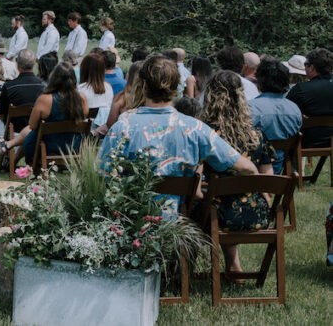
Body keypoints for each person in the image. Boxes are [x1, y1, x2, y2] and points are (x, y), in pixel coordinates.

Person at [99, 56, 257, 216]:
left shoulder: (123, 126)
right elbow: (245, 167)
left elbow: (102, 175)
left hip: (130, 222)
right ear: (175, 87)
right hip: (178, 225)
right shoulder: (195, 128)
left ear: (144, 85)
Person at [199, 71, 275, 275]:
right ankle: (234, 265)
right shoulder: (256, 134)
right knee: (226, 197)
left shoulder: (206, 133)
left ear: (210, 97)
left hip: (217, 215)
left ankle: (183, 270)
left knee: (198, 203)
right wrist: (266, 200)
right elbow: (268, 179)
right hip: (257, 214)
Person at [3, 61, 87, 165]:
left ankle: (11, 154)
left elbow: (32, 126)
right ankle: (11, 152)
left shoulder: (45, 100)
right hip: (73, 147)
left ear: (54, 79)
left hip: (46, 148)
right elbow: (83, 119)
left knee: (31, 131)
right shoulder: (82, 99)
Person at [0, 50, 44, 155]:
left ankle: (3, 154)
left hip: (13, 131)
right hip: (36, 131)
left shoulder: (9, 86)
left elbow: (1, 115)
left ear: (17, 65)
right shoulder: (44, 86)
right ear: (33, 64)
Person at [249, 58, 302, 175]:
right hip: (279, 171)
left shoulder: (250, 108)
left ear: (259, 82)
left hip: (254, 173)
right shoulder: (295, 109)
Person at [286, 48, 333, 149]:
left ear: (311, 67)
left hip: (306, 142)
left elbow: (285, 112)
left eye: (305, 65)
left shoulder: (301, 89)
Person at [78, 52, 114, 128]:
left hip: (84, 132)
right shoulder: (108, 88)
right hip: (104, 131)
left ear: (84, 69)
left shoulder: (80, 90)